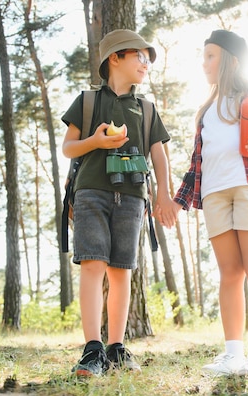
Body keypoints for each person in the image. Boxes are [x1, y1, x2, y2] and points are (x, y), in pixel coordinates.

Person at [160, 29, 248, 378]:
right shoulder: (205, 110)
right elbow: (197, 163)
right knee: (230, 274)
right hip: (215, 195)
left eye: (210, 56)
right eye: (203, 57)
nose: (204, 63)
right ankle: (233, 354)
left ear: (231, 60)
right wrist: (178, 201)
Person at [61, 29, 176, 377]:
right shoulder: (86, 101)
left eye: (149, 59)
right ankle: (91, 349)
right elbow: (68, 148)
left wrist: (164, 195)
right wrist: (95, 140)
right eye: (140, 56)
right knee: (93, 266)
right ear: (115, 58)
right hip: (91, 192)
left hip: (132, 197)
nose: (146, 63)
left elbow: (159, 154)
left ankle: (116, 348)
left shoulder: (146, 108)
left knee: (121, 271)